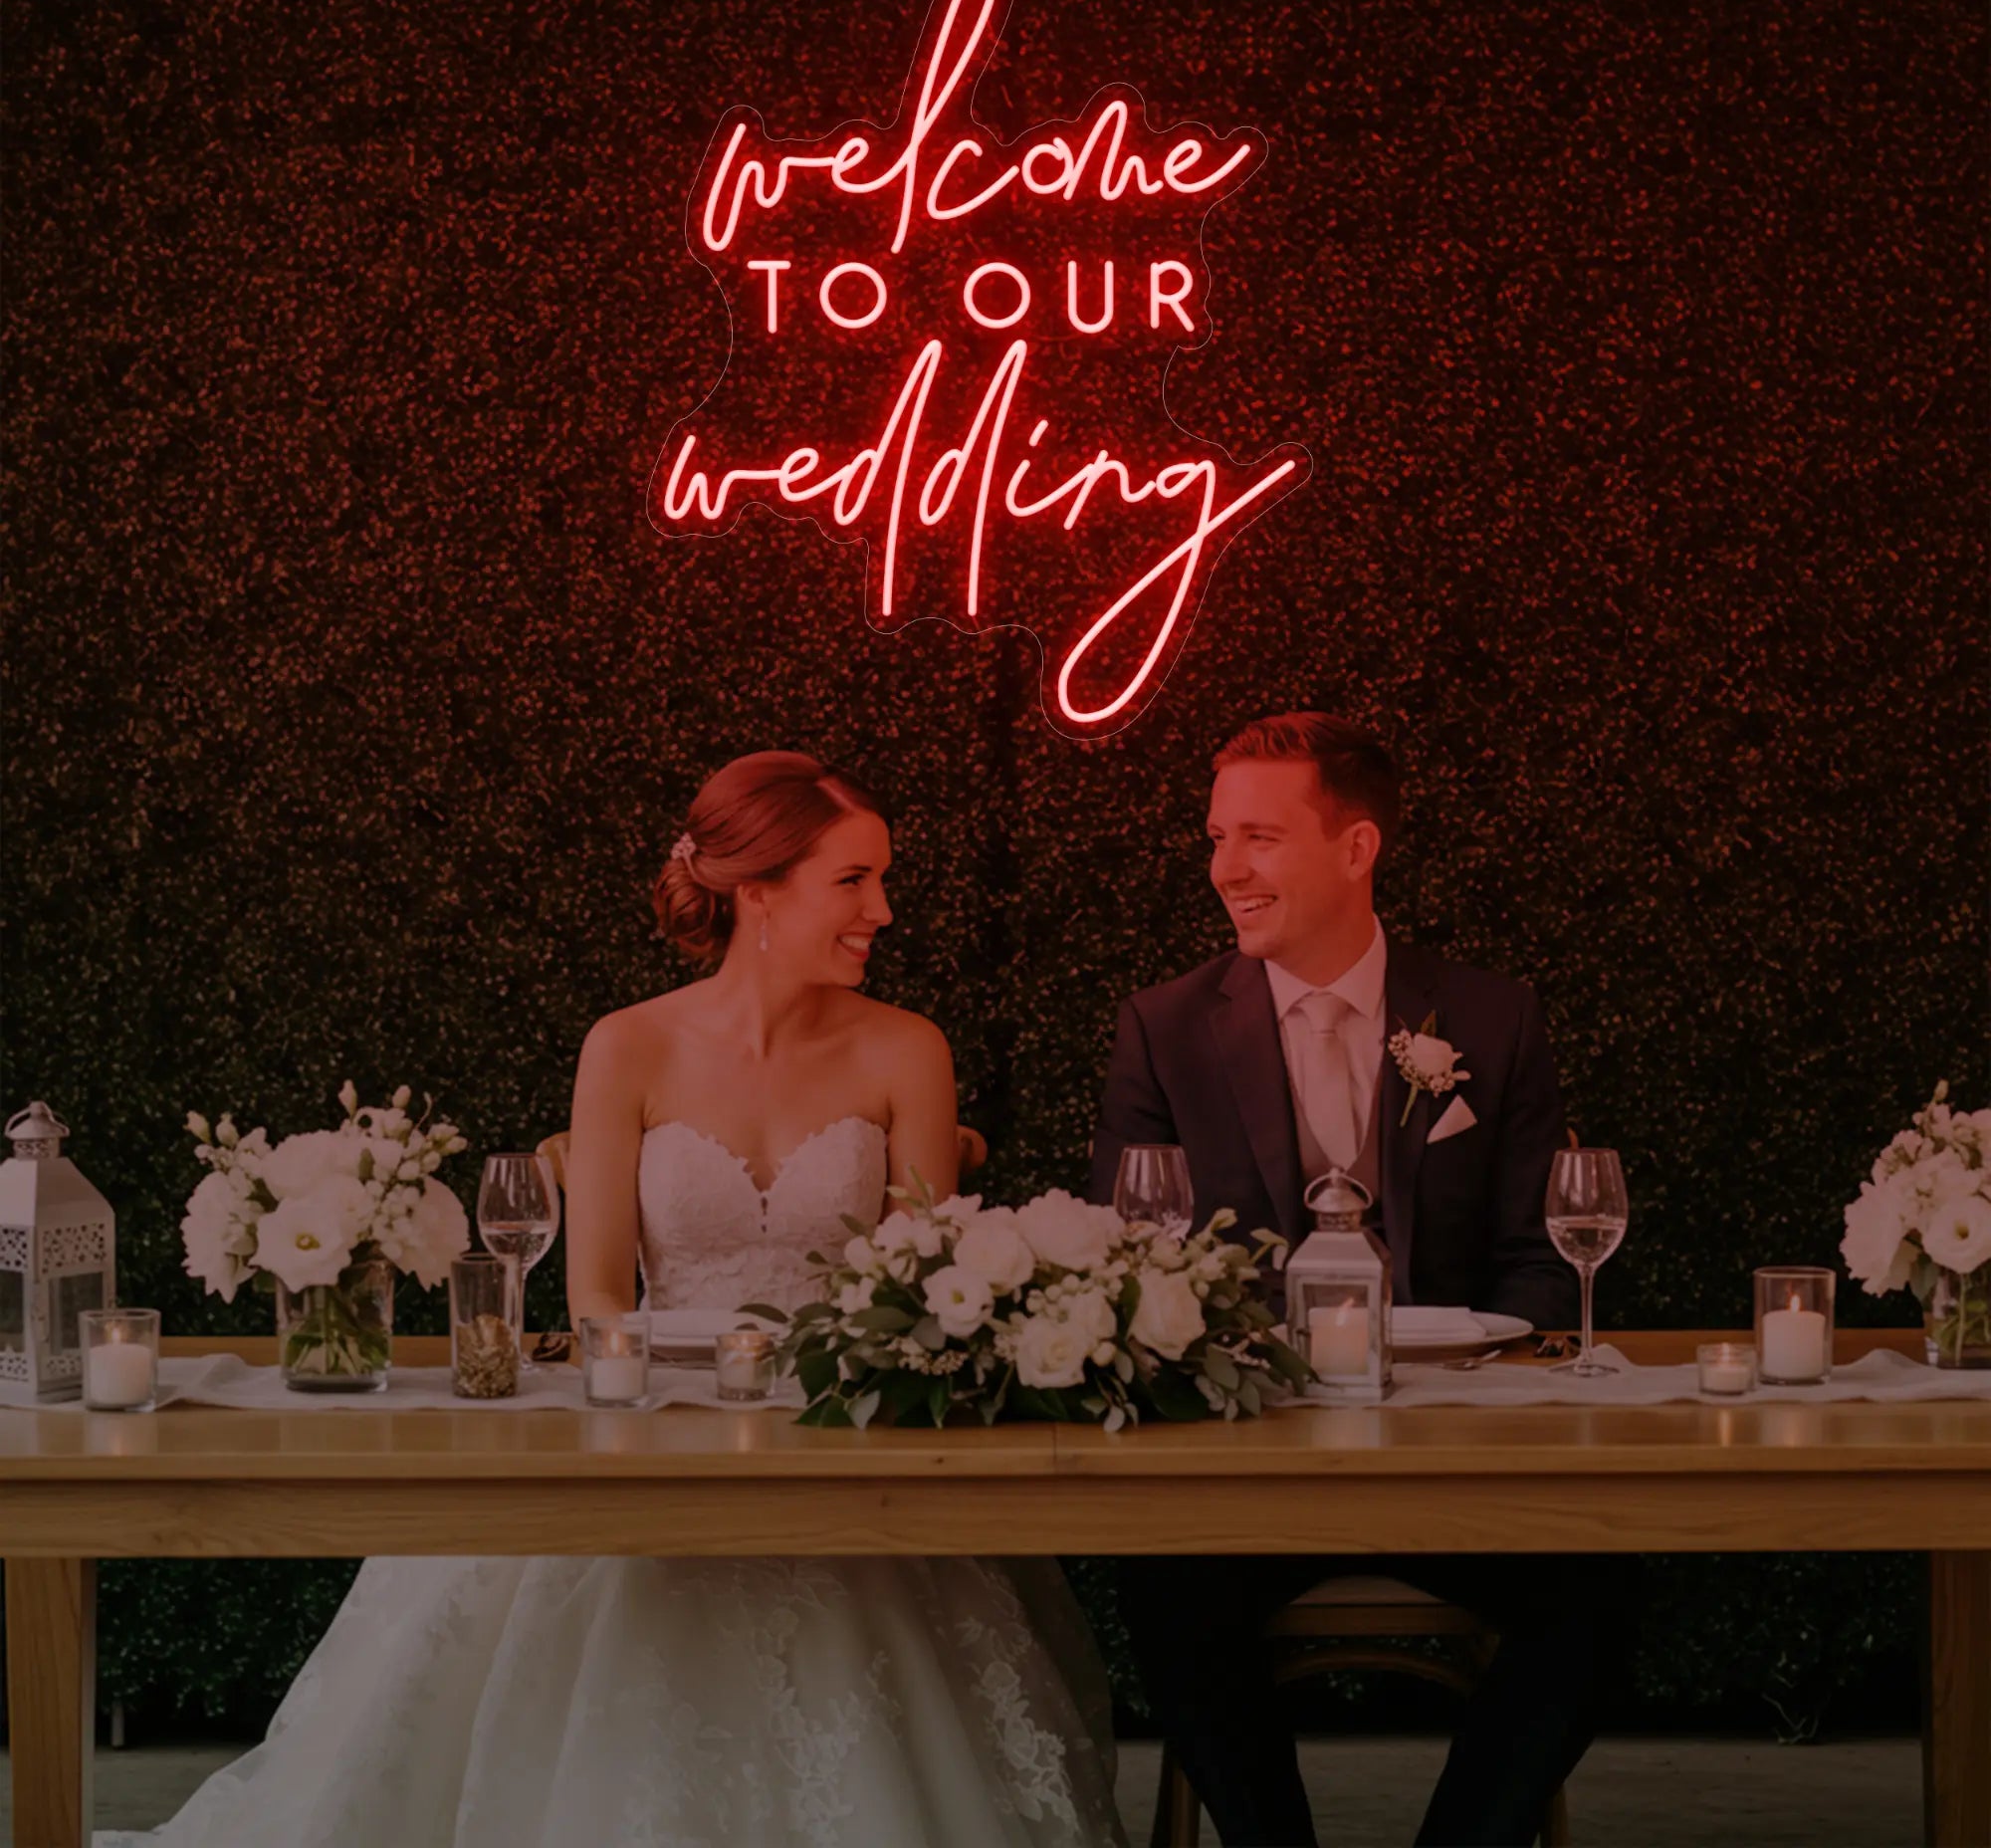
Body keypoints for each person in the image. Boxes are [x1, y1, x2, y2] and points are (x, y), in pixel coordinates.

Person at [113, 751, 1124, 1848]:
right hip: (647, 1413)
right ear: (757, 891)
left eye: (881, 879)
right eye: (853, 879)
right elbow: (596, 1287)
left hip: (839, 1431)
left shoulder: (908, 1048)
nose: (882, 908)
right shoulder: (627, 1044)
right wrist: (663, 1406)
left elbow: (919, 1287)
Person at [1091, 712, 1608, 1848]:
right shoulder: (1165, 1027)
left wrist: (1450, 1359)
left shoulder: (1487, 1016)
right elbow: (1128, 1261)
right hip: (1247, 1468)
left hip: (1457, 1455)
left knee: (1599, 1598)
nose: (1225, 867)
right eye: (1218, 836)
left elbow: (1535, 1257)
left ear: (1356, 847)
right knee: (1166, 1594)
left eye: (1260, 836)